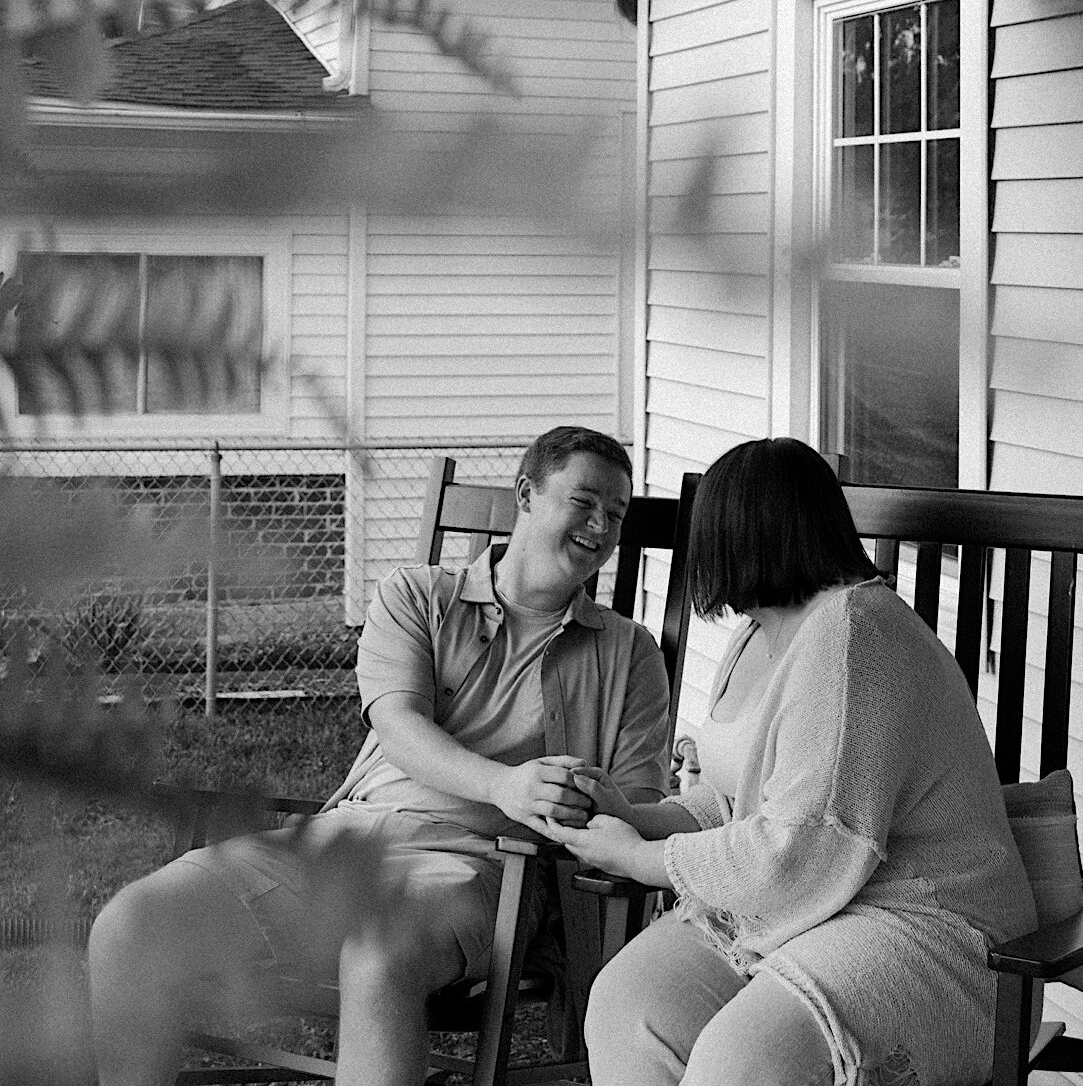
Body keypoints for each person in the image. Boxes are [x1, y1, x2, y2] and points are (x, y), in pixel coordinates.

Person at [88, 426, 670, 1086]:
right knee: (130, 923)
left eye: (615, 514)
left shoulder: (629, 653)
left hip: (480, 865)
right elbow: (398, 723)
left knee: (377, 949)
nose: (600, 524)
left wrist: (587, 802)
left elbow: (638, 806)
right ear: (525, 494)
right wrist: (506, 782)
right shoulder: (416, 595)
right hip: (342, 840)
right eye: (585, 500)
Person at [556, 437, 1038, 1086]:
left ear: (737, 535)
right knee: (627, 1006)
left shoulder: (853, 637)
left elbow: (800, 846)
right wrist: (636, 817)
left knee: (741, 1059)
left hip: (920, 924)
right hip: (792, 907)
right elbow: (733, 804)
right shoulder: (756, 632)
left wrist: (638, 859)